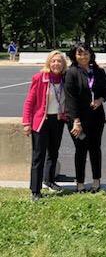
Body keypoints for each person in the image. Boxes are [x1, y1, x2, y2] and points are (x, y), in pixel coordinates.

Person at [22, 50, 68, 201]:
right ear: (49, 62)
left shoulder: (64, 79)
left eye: (59, 61)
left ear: (63, 64)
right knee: (38, 156)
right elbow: (29, 101)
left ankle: (49, 180)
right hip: (41, 121)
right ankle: (35, 190)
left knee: (53, 153)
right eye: (53, 61)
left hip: (58, 120)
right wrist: (27, 123)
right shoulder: (39, 77)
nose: (56, 64)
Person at [65, 43, 106, 193]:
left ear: (91, 54)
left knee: (95, 149)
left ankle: (96, 181)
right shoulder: (71, 73)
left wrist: (99, 100)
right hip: (78, 120)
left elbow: (104, 92)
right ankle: (81, 183)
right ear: (74, 56)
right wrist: (76, 121)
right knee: (81, 150)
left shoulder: (98, 71)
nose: (83, 56)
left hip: (96, 117)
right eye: (79, 54)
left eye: (86, 53)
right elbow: (70, 99)